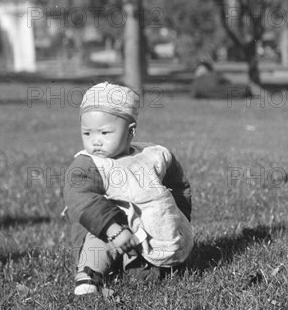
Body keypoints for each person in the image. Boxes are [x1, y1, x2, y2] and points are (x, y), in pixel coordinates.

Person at [63, 82, 193, 295]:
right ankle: (89, 275)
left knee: (148, 276)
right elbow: (81, 199)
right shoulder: (89, 164)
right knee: (97, 242)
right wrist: (114, 230)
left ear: (130, 131)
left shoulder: (153, 156)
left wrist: (179, 217)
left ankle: (150, 266)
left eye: (105, 133)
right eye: (87, 133)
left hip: (145, 230)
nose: (95, 141)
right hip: (104, 229)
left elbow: (178, 185)